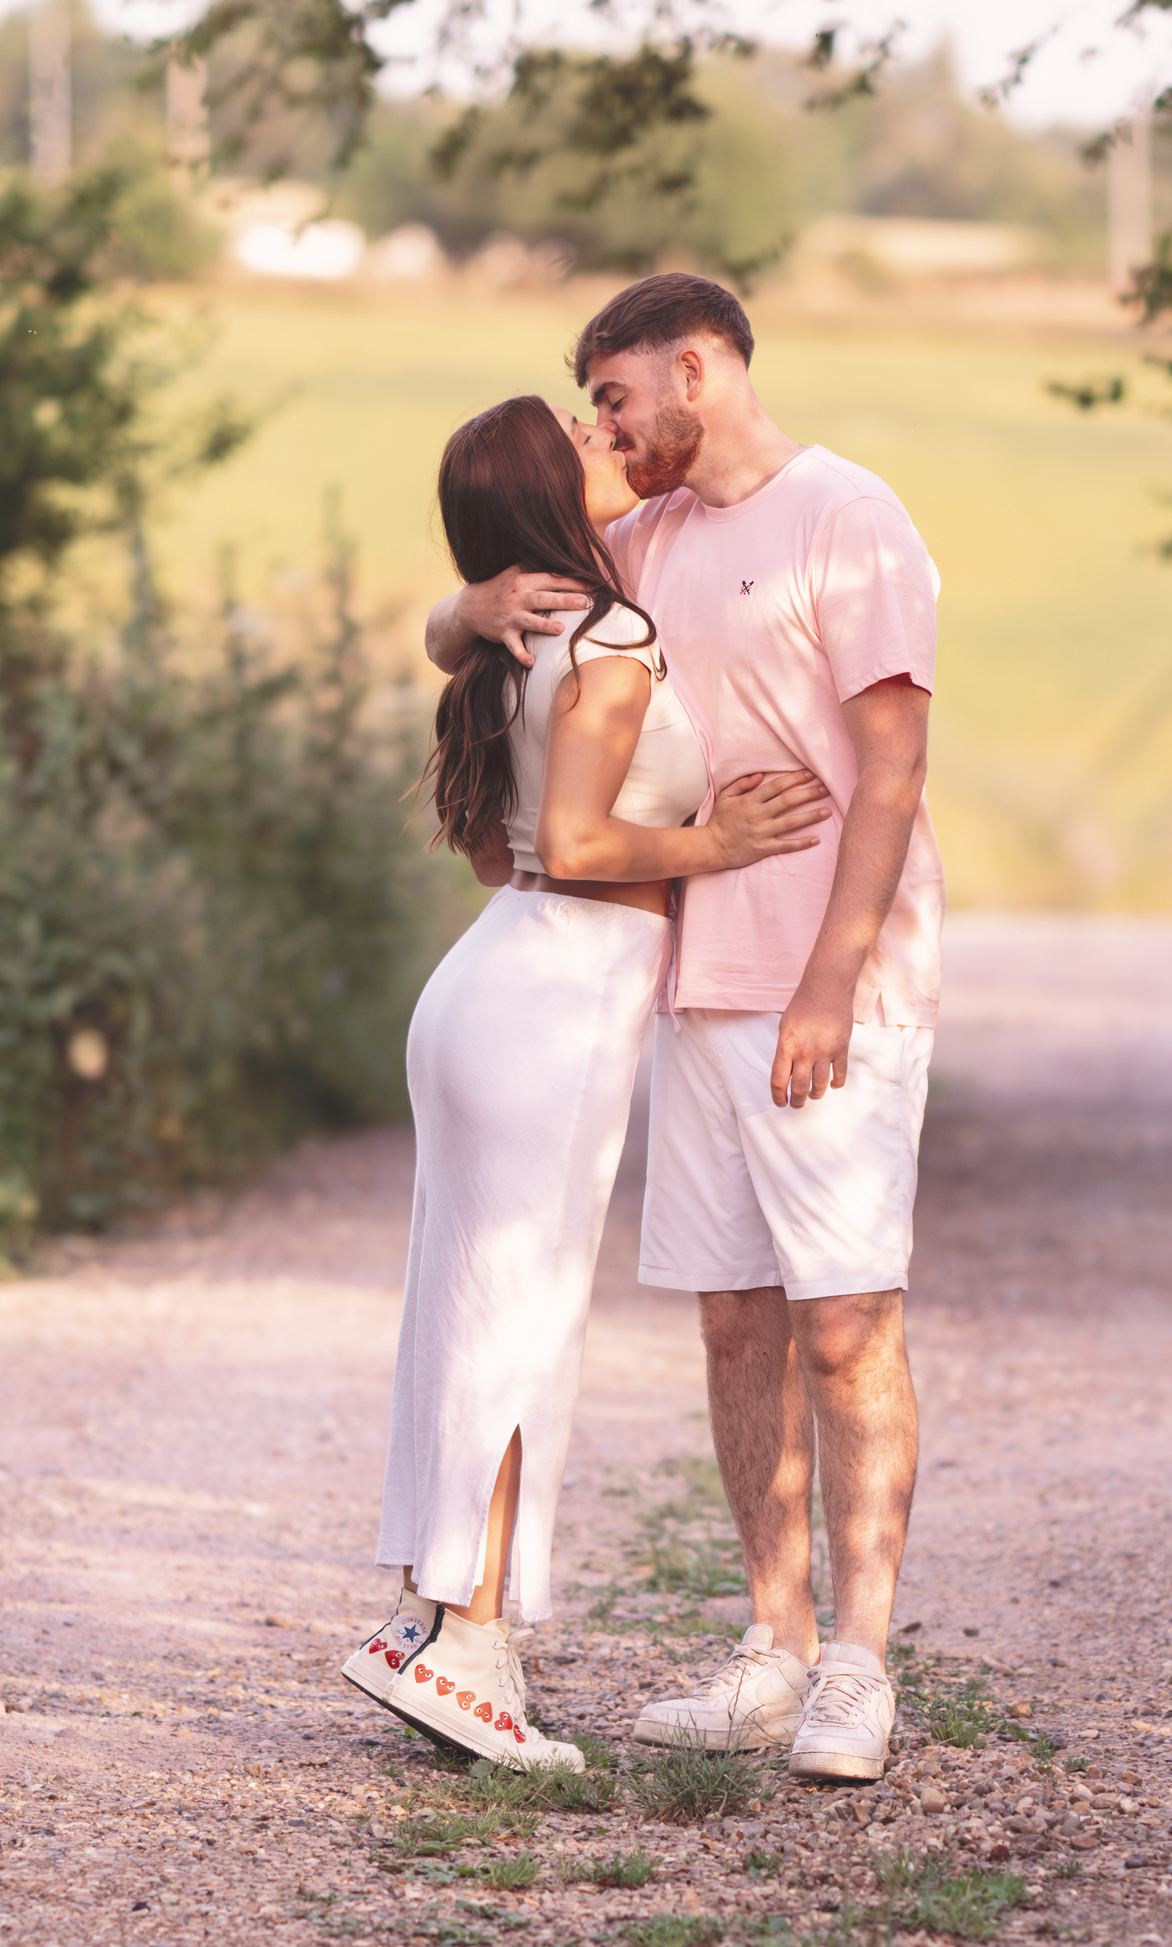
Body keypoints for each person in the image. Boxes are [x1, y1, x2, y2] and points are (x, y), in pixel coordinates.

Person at [425, 277, 942, 1782]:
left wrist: (833, 981)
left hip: (831, 991)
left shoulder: (853, 517)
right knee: (733, 1319)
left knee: (848, 1321)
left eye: (617, 398)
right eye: (591, 408)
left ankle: (861, 1663)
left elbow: (894, 773)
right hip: (685, 988)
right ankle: (773, 1647)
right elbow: (482, 636)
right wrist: (460, 610)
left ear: (697, 370)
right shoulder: (639, 539)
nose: (604, 427)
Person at [341, 392, 830, 1770]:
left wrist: (462, 605)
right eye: (586, 440)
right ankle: (480, 1655)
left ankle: (433, 1617)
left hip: (491, 979)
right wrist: (717, 839)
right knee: (522, 1323)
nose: (607, 443)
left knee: (460, 1304)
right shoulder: (608, 635)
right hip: (551, 998)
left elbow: (503, 855)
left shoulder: (516, 636)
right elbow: (566, 840)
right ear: (555, 498)